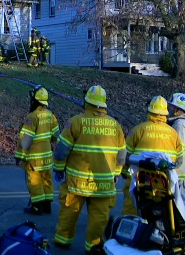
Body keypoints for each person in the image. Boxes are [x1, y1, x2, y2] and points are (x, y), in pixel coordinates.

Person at [53, 85, 126, 253]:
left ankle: (62, 240)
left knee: (69, 212)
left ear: (86, 102)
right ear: (104, 104)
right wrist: (115, 174)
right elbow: (122, 155)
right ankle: (93, 247)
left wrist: (58, 169)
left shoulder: (76, 122)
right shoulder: (115, 125)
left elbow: (62, 151)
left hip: (76, 182)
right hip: (104, 185)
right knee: (98, 218)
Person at [121, 95, 184, 216]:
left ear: (150, 111)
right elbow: (179, 160)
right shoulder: (173, 133)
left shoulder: (138, 130)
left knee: (131, 213)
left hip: (138, 181)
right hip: (163, 184)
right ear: (165, 113)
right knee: (162, 215)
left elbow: (125, 156)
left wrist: (124, 173)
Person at [15, 86, 60, 215]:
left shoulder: (32, 117)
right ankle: (47, 206)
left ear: (35, 100)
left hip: (34, 158)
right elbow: (56, 136)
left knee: (34, 181)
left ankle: (36, 207)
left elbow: (25, 141)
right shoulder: (51, 116)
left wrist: (19, 156)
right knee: (47, 180)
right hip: (47, 156)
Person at [168, 93, 185, 204]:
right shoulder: (179, 123)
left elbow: (176, 150)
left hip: (179, 176)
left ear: (177, 109)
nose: (168, 107)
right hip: (179, 175)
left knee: (178, 209)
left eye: (171, 106)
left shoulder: (180, 125)